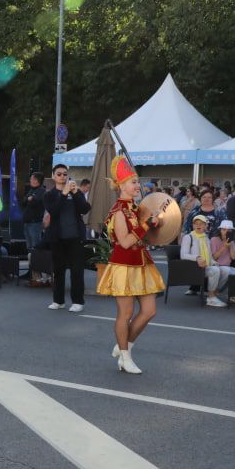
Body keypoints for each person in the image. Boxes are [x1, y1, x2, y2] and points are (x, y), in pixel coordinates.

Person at [96, 155, 164, 374]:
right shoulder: (118, 212)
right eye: (134, 182)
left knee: (149, 311)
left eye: (137, 182)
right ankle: (125, 356)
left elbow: (145, 234)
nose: (138, 186)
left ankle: (125, 344)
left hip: (142, 263)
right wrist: (145, 226)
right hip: (124, 265)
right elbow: (125, 242)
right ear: (121, 185)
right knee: (125, 314)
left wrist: (158, 224)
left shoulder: (136, 209)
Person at [44, 164, 91, 312]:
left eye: (65, 174)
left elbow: (85, 208)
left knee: (77, 270)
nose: (62, 177)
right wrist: (63, 194)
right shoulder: (49, 195)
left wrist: (76, 193)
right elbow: (54, 211)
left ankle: (78, 301)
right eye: (59, 174)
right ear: (53, 176)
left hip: (75, 237)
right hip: (57, 238)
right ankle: (58, 300)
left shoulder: (75, 193)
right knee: (58, 271)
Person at [181, 215, 230, 307]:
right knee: (214, 270)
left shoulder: (206, 238)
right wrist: (197, 257)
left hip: (206, 266)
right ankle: (211, 298)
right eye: (196, 223)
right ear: (193, 225)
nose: (198, 225)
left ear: (206, 226)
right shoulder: (188, 237)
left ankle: (213, 293)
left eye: (201, 224)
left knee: (226, 270)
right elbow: (183, 255)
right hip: (195, 267)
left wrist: (214, 262)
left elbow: (209, 256)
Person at [21, 172, 49, 287]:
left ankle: (38, 274)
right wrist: (28, 198)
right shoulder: (31, 190)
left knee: (35, 249)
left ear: (37, 180)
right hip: (27, 223)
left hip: (35, 224)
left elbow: (34, 202)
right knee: (29, 248)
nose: (30, 180)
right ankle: (31, 272)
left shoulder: (41, 191)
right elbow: (24, 201)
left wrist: (29, 199)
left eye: (32, 178)